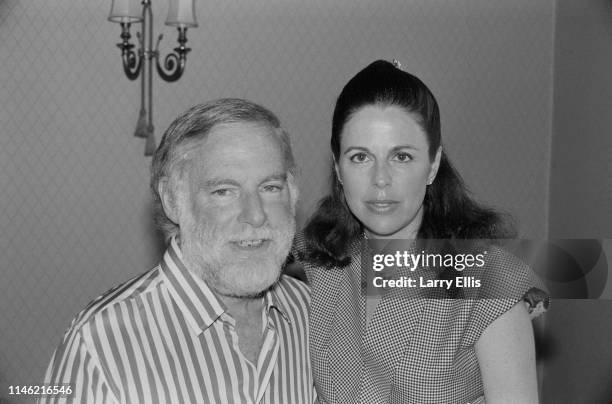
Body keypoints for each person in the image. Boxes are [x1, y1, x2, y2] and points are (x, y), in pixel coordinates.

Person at [295, 60, 548, 403]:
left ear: (432, 164)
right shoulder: (318, 262)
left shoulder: (487, 282)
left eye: (401, 157)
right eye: (360, 157)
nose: (380, 179)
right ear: (338, 167)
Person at [41, 99, 314, 403]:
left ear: (293, 192)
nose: (256, 215)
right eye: (224, 191)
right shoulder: (99, 345)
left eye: (270, 187)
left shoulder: (313, 313)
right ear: (172, 200)